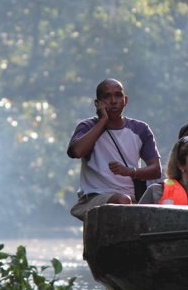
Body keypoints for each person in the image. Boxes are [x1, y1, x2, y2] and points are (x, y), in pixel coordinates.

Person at [67, 78, 161, 220]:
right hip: (94, 198)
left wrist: (130, 172)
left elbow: (155, 170)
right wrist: (103, 121)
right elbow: (76, 152)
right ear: (97, 103)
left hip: (129, 199)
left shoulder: (140, 129)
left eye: (118, 95)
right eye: (107, 96)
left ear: (125, 100)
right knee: (123, 201)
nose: (113, 101)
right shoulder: (87, 126)